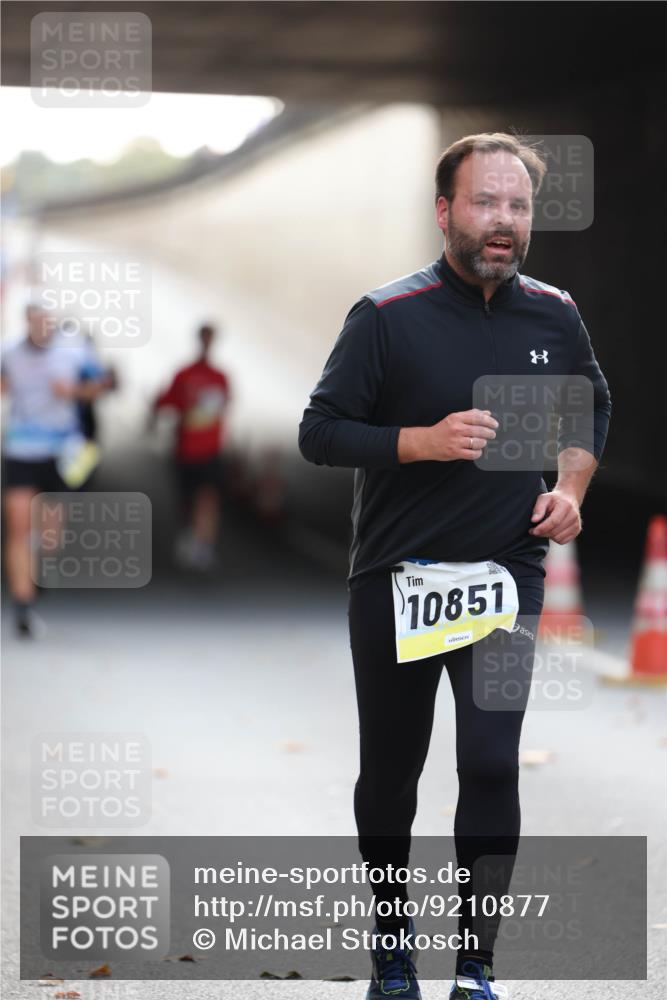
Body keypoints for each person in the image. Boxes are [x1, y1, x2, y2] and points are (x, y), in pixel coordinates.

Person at [298, 133, 611, 1000]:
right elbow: (319, 431)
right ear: (444, 212)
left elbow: (588, 403)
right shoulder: (386, 316)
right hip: (397, 579)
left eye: (517, 205)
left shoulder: (553, 313)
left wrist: (569, 487)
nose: (502, 221)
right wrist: (420, 441)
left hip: (505, 576)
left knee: (490, 763)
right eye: (484, 203)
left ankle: (475, 966)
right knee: (391, 774)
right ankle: (391, 947)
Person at [1, 304, 108, 636]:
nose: (42, 326)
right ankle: (23, 606)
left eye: (47, 321)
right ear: (28, 321)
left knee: (49, 536)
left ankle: (40, 564)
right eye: (37, 320)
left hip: (61, 450)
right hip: (20, 448)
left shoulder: (74, 351)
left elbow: (102, 385)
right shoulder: (9, 351)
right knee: (18, 527)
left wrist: (73, 391)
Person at [151, 323, 231, 571]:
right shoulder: (184, 375)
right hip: (185, 450)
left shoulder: (220, 377)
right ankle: (189, 533)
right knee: (187, 500)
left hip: (210, 450)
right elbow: (165, 402)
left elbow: (223, 409)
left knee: (208, 497)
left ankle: (203, 545)